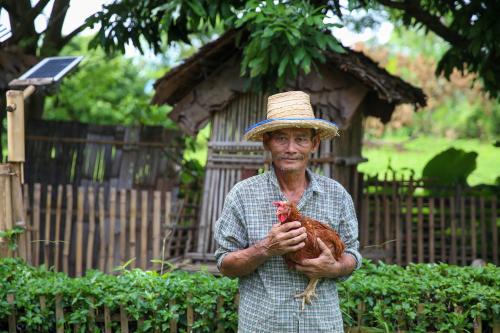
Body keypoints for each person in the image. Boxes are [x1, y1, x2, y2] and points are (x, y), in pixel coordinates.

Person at [214, 91, 361, 332]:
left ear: (314, 144)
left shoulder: (337, 195)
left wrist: (334, 268)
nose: (291, 148)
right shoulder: (242, 195)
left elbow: (353, 254)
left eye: (301, 139)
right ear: (267, 142)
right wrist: (265, 248)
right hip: (264, 325)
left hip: (321, 325)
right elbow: (225, 264)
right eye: (281, 138)